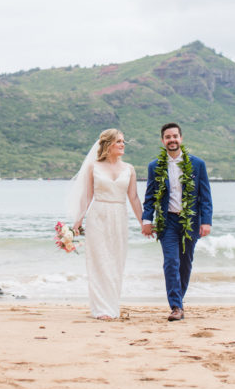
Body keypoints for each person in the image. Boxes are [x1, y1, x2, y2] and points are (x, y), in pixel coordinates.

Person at [67, 129, 145, 320]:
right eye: (119, 141)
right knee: (99, 261)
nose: (122, 145)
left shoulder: (129, 169)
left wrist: (144, 222)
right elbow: (87, 196)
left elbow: (134, 198)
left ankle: (112, 306)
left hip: (119, 216)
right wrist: (78, 220)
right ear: (108, 144)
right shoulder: (93, 167)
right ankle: (101, 309)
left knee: (116, 262)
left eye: (123, 141)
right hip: (98, 216)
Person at [141, 122, 212, 321]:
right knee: (171, 262)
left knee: (185, 263)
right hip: (167, 221)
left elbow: (205, 196)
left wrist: (206, 221)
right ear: (163, 141)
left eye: (175, 136)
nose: (172, 140)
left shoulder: (197, 164)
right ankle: (176, 307)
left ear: (181, 138)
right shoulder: (154, 166)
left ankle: (178, 301)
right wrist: (146, 220)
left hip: (190, 220)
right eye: (168, 137)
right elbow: (149, 197)